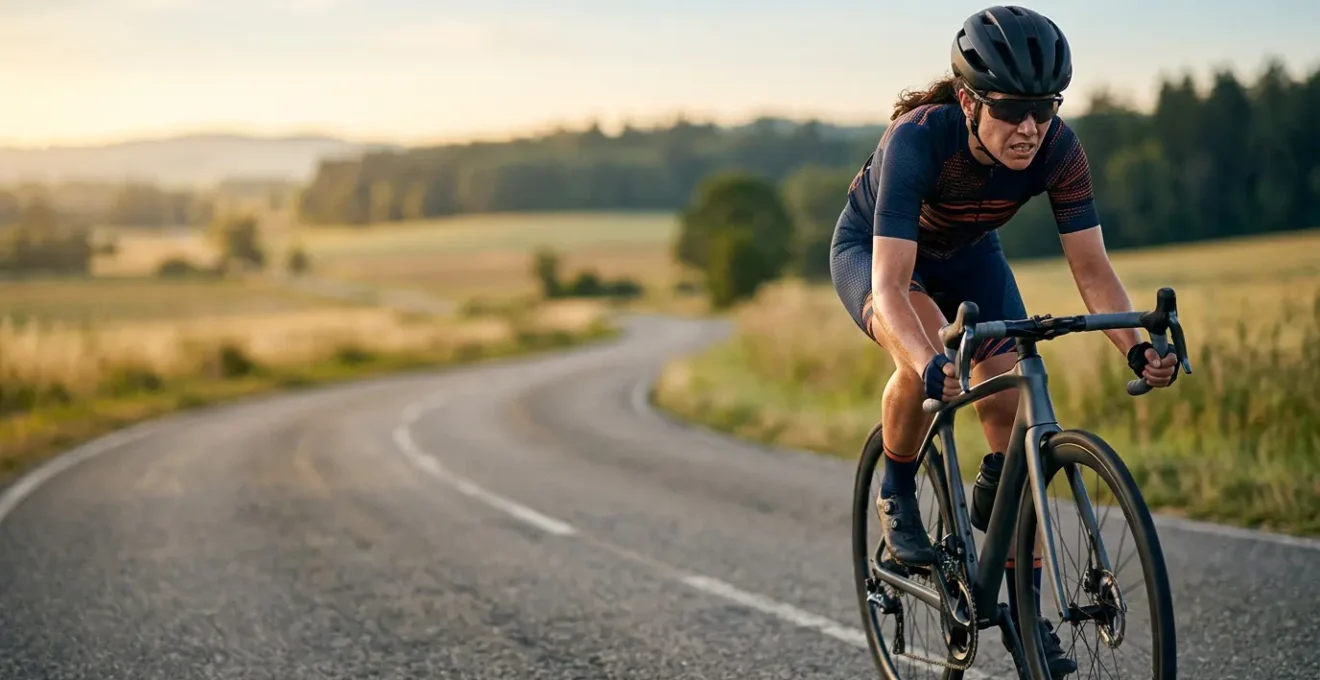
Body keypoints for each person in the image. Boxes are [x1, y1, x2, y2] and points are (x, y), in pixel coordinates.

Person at [830, 5, 1177, 678]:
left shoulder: (1059, 148)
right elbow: (894, 287)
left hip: (969, 256)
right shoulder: (918, 140)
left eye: (1043, 109)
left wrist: (1136, 347)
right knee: (920, 356)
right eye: (1012, 109)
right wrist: (931, 361)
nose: (1028, 129)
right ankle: (896, 490)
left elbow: (1092, 269)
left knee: (1011, 409)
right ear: (969, 99)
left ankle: (1021, 606)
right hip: (881, 257)